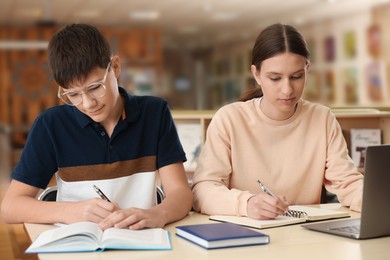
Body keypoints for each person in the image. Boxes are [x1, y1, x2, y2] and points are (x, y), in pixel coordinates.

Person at [1, 23, 193, 230]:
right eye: (72, 94)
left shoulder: (155, 114)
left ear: (116, 67)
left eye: (94, 88)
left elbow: (180, 193)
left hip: (143, 240)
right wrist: (70, 211)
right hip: (79, 243)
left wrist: (158, 214)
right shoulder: (51, 125)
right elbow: (10, 207)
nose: (87, 103)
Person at [191, 23, 363, 220]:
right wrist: (246, 204)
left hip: (306, 237)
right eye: (275, 78)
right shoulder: (229, 119)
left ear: (307, 69)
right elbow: (202, 190)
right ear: (256, 74)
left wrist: (373, 198)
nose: (287, 90)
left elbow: (348, 184)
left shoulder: (322, 119)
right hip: (246, 236)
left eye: (296, 77)